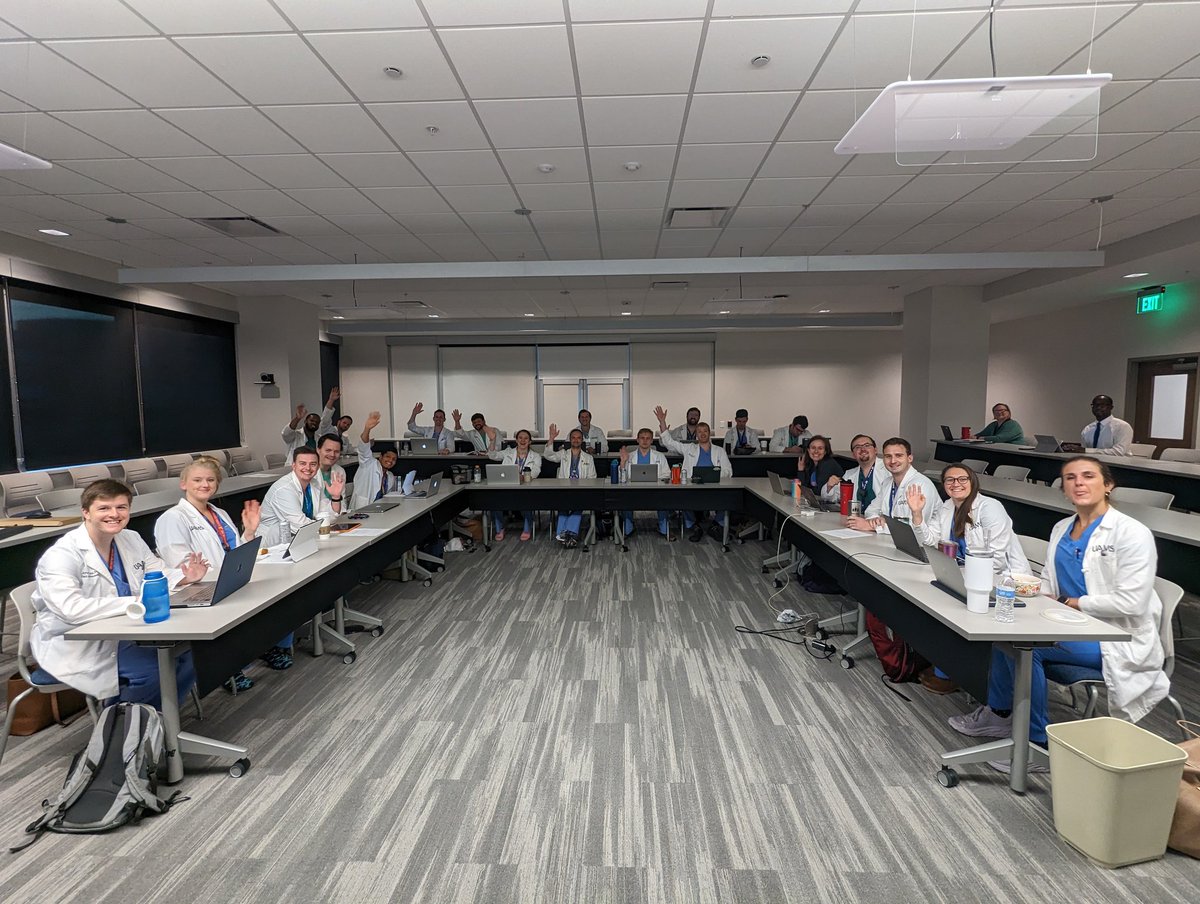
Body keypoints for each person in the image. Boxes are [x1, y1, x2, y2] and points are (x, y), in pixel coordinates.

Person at [947, 457, 1169, 773]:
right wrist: (1027, 590)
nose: (1078, 483)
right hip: (1068, 623)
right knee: (1003, 635)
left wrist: (1072, 602)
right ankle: (999, 715)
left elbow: (1131, 603)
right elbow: (1050, 583)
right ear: (1063, 488)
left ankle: (1035, 744)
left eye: (1088, 476)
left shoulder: (1132, 533)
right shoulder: (1062, 527)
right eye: (1070, 478)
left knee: (1028, 648)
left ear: (1108, 485)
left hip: (1114, 636)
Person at [30, 479, 207, 707]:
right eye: (104, 508)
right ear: (86, 513)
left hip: (126, 630)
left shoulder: (130, 538)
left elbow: (157, 573)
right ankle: (126, 731)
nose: (114, 514)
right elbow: (70, 610)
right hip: (77, 640)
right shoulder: (62, 555)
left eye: (121, 507)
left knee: (193, 652)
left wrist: (185, 576)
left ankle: (149, 721)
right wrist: (133, 602)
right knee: (155, 668)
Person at [908, 463, 1032, 695]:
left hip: (998, 583)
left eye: (962, 479)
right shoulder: (947, 507)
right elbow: (930, 540)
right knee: (930, 601)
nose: (956, 484)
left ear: (973, 481)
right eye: (950, 480)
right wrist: (917, 514)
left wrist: (961, 572)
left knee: (947, 608)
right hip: (964, 576)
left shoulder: (990, 508)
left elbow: (997, 559)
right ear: (944, 486)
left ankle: (955, 674)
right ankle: (948, 668)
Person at [154, 457, 268, 692]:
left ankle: (253, 655)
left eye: (210, 480)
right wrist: (202, 572)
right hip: (199, 590)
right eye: (197, 480)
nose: (204, 485)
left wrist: (249, 531)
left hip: (227, 581)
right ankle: (225, 669)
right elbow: (181, 565)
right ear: (183, 483)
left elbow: (235, 551)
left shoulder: (219, 513)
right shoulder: (172, 518)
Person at [257, 447, 342, 669]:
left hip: (298, 544)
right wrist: (324, 524)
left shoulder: (314, 484)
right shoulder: (284, 489)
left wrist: (335, 497)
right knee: (285, 598)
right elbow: (301, 523)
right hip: (273, 550)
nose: (308, 468)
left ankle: (284, 641)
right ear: (293, 465)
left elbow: (327, 516)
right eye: (302, 464)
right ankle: (273, 646)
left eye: (313, 464)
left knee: (300, 592)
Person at [655, 406, 733, 542]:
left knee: (728, 498)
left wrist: (714, 475)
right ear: (696, 434)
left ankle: (716, 525)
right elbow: (669, 442)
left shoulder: (719, 451)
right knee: (683, 498)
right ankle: (694, 527)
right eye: (699, 431)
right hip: (692, 485)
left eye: (705, 431)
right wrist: (662, 421)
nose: (702, 434)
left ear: (709, 433)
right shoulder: (689, 448)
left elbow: (728, 471)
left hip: (714, 485)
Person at [846, 437, 940, 531]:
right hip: (894, 540)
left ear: (910, 458)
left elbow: (915, 527)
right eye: (888, 456)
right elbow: (871, 510)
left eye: (898, 455)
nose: (893, 461)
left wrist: (872, 526)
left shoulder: (921, 485)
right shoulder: (888, 482)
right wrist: (876, 520)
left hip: (924, 544)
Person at [543, 424, 595, 548]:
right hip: (564, 490)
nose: (576, 440)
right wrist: (551, 438)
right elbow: (548, 455)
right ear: (570, 440)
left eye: (578, 438)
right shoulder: (563, 454)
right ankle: (569, 535)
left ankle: (564, 534)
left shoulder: (588, 458)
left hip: (581, 490)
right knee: (563, 507)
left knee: (578, 505)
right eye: (573, 438)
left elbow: (592, 477)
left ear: (582, 440)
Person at [487, 428, 542, 541]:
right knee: (495, 502)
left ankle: (527, 528)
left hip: (526, 488)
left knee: (528, 502)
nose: (523, 440)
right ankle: (500, 528)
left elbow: (536, 472)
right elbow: (492, 455)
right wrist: (492, 441)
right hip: (506, 486)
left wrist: (525, 477)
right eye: (520, 438)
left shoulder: (536, 456)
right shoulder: (508, 452)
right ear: (516, 440)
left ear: (530, 442)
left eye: (526, 438)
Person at [617, 428, 672, 540]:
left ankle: (663, 528)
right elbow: (621, 478)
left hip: (655, 490)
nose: (645, 441)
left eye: (648, 438)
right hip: (633, 491)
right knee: (624, 498)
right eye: (642, 438)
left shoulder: (660, 456)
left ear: (652, 441)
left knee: (664, 498)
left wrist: (656, 480)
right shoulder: (629, 456)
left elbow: (667, 474)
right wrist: (623, 462)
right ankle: (628, 527)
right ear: (637, 440)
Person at [821, 433, 888, 509]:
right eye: (857, 447)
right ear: (853, 454)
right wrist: (829, 487)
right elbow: (833, 497)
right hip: (857, 518)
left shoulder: (888, 468)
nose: (863, 449)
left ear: (875, 450)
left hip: (880, 519)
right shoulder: (849, 474)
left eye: (867, 445)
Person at [352, 411, 400, 510]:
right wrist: (367, 429)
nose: (390, 461)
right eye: (387, 457)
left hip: (379, 510)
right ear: (380, 457)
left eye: (394, 459)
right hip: (361, 509)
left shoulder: (389, 477)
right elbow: (363, 448)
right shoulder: (369, 463)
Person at [313, 433, 347, 507]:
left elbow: (342, 500)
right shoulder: (308, 471)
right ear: (318, 450)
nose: (332, 455)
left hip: (335, 514)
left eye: (336, 451)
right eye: (328, 450)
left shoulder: (340, 471)